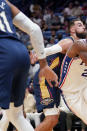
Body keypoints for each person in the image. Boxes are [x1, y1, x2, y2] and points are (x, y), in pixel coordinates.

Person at [0, 1, 57, 131]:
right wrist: (43, 65)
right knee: (16, 115)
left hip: (2, 53)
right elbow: (35, 29)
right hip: (21, 52)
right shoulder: (5, 3)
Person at [33, 19, 87, 131]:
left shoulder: (80, 46)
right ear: (72, 29)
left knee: (54, 118)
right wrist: (36, 54)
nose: (84, 27)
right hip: (45, 80)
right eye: (80, 25)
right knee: (52, 118)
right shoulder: (69, 42)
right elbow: (49, 50)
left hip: (54, 82)